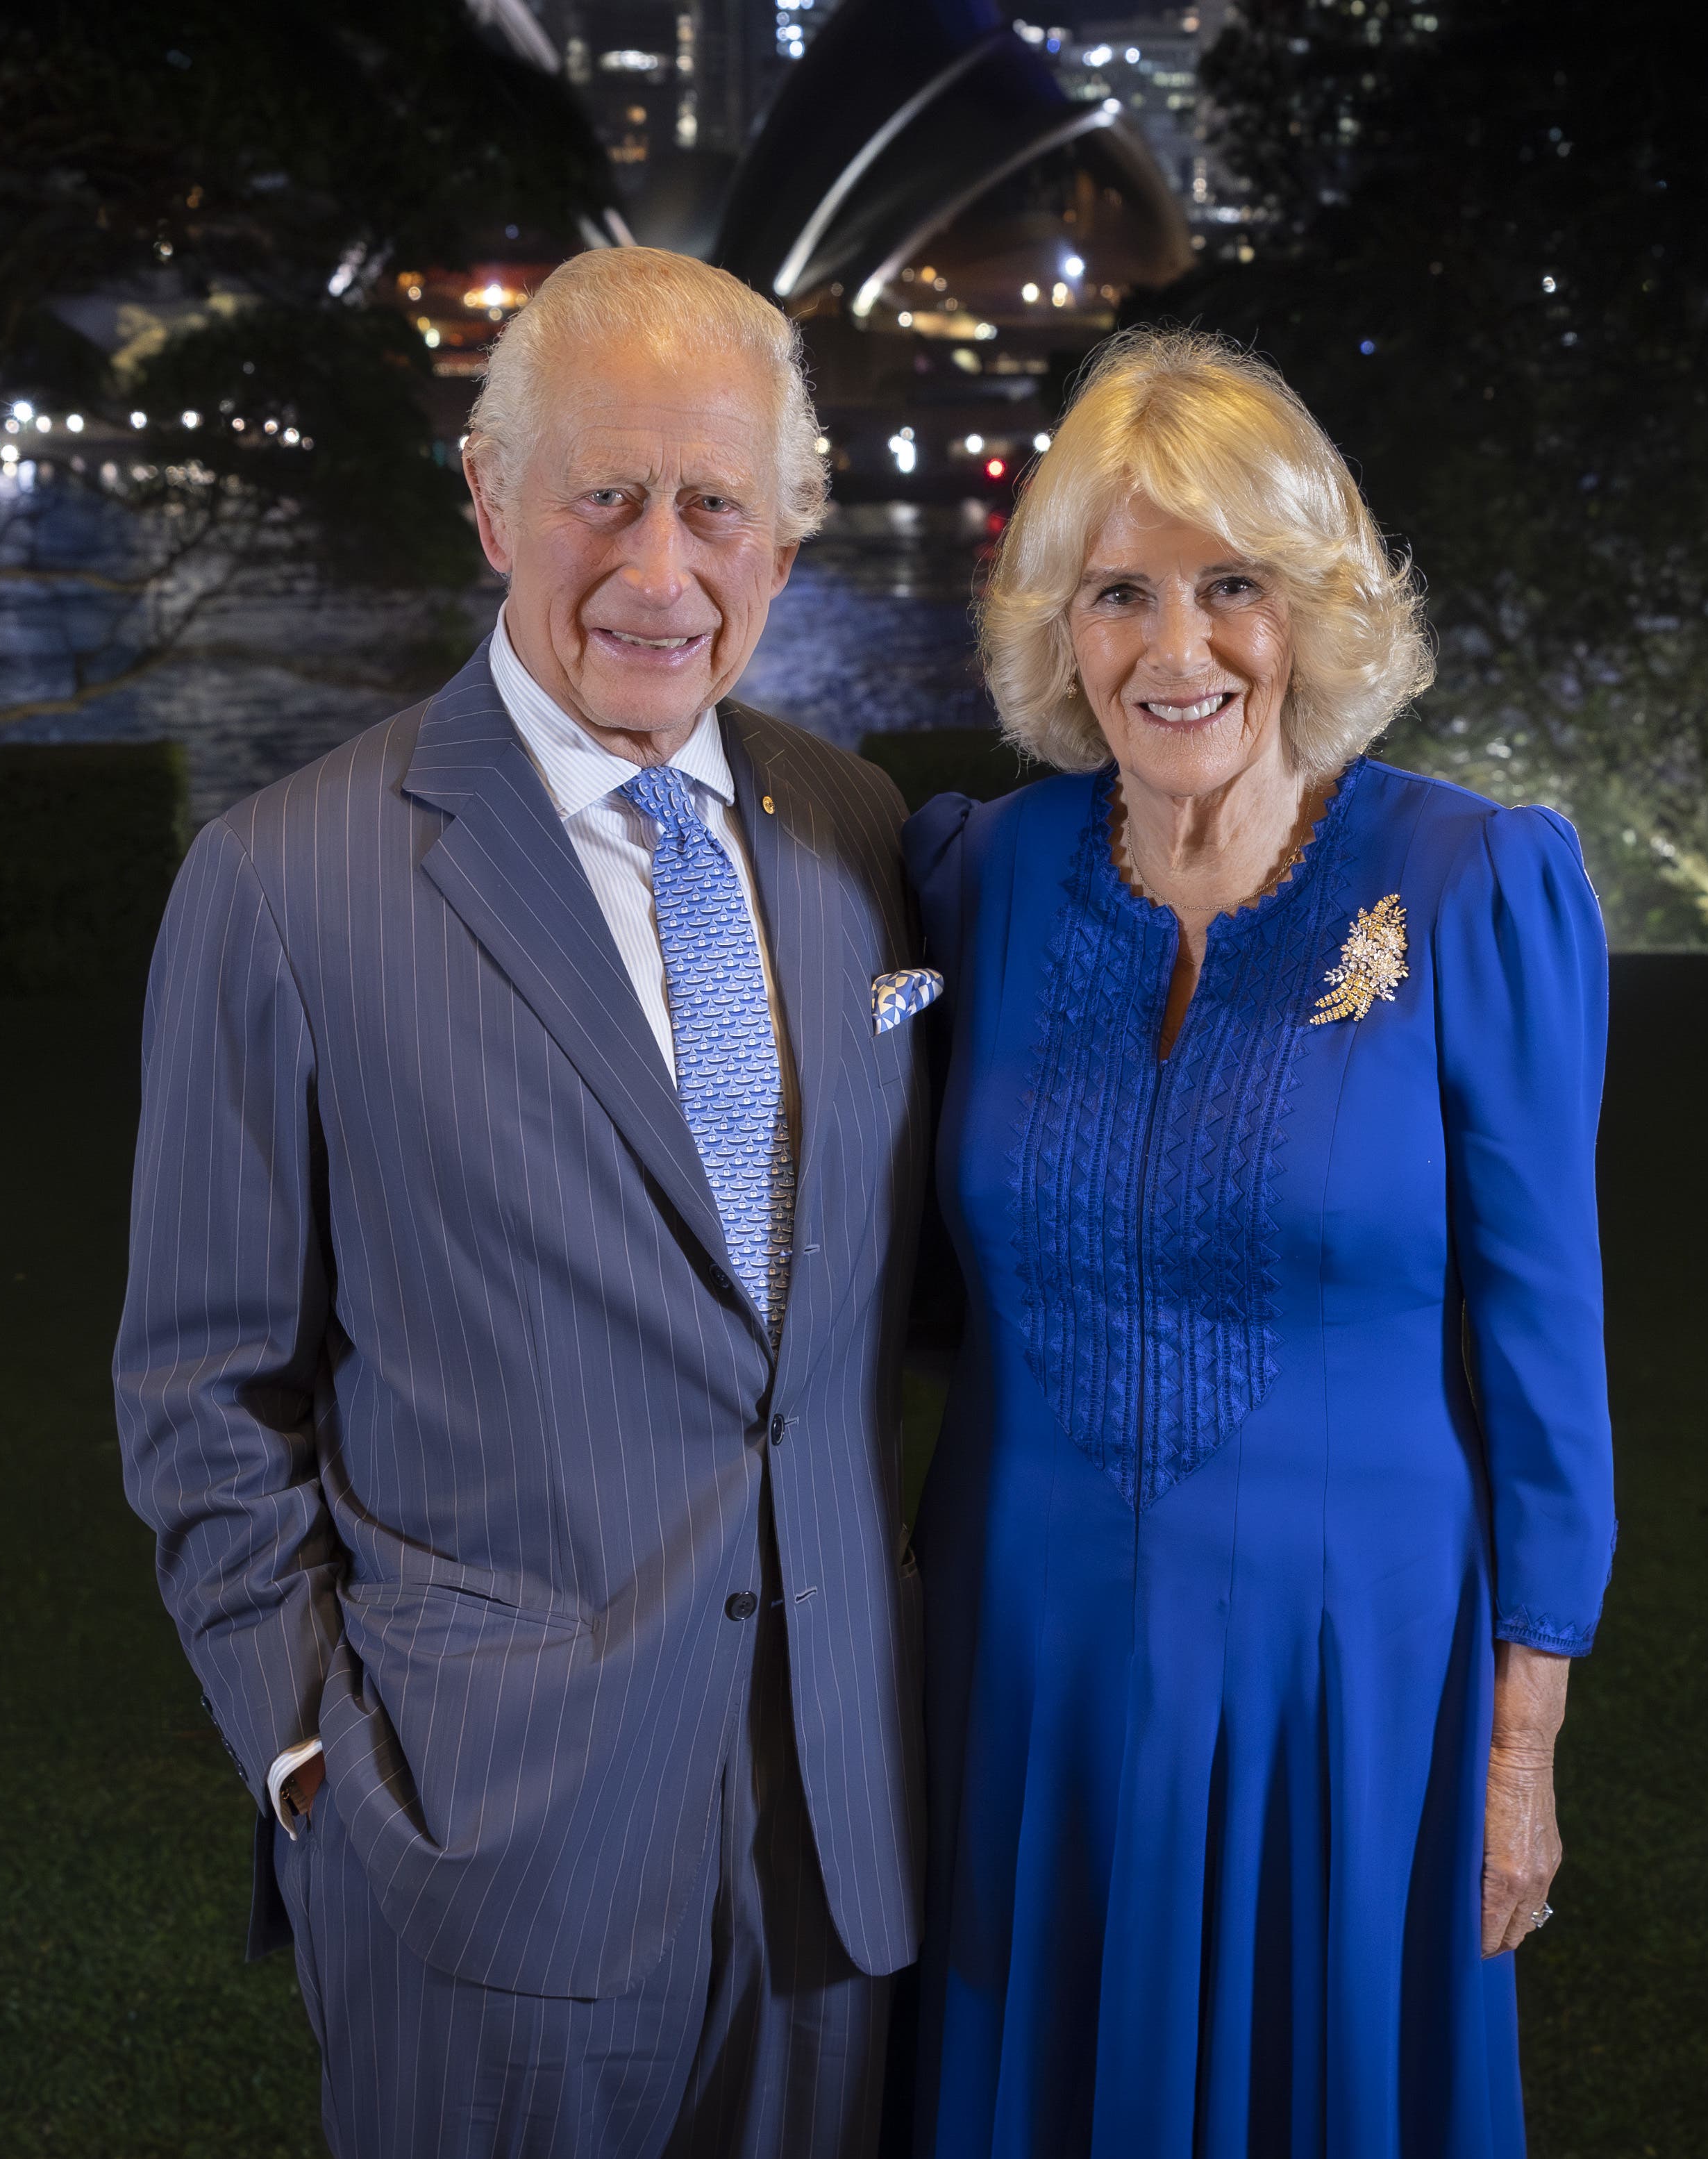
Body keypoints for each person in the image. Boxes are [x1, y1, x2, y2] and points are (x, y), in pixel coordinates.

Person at [112, 247, 932, 2159]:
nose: (660, 570)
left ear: (786, 542)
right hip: (483, 1861)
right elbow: (198, 1389)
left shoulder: (860, 834)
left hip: (839, 1848)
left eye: (716, 505)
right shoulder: (284, 885)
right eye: (604, 494)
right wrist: (317, 1762)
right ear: (491, 501)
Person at [901, 329, 1616, 2157]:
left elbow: (1547, 1355)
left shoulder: (1471, 886)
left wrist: (1520, 1753)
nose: (1177, 647)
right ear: (1062, 626)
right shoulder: (986, 875)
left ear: (1312, 609)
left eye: (1232, 588)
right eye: (1120, 592)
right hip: (1026, 1674)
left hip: (1351, 1690)